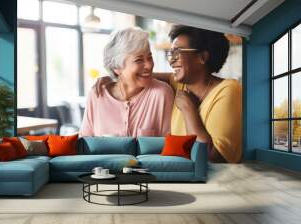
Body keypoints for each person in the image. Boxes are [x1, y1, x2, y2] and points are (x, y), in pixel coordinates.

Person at [95, 25, 242, 163]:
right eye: (171, 53)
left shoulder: (229, 90)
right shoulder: (181, 83)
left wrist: (189, 111)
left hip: (219, 184)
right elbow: (145, 75)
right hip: (187, 177)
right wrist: (114, 75)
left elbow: (210, 158)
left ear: (202, 57)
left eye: (178, 52)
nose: (172, 60)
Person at [79, 27, 174, 137]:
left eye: (150, 57)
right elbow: (84, 141)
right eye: (139, 60)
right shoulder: (97, 95)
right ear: (117, 67)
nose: (149, 65)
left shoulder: (161, 94)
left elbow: (168, 147)